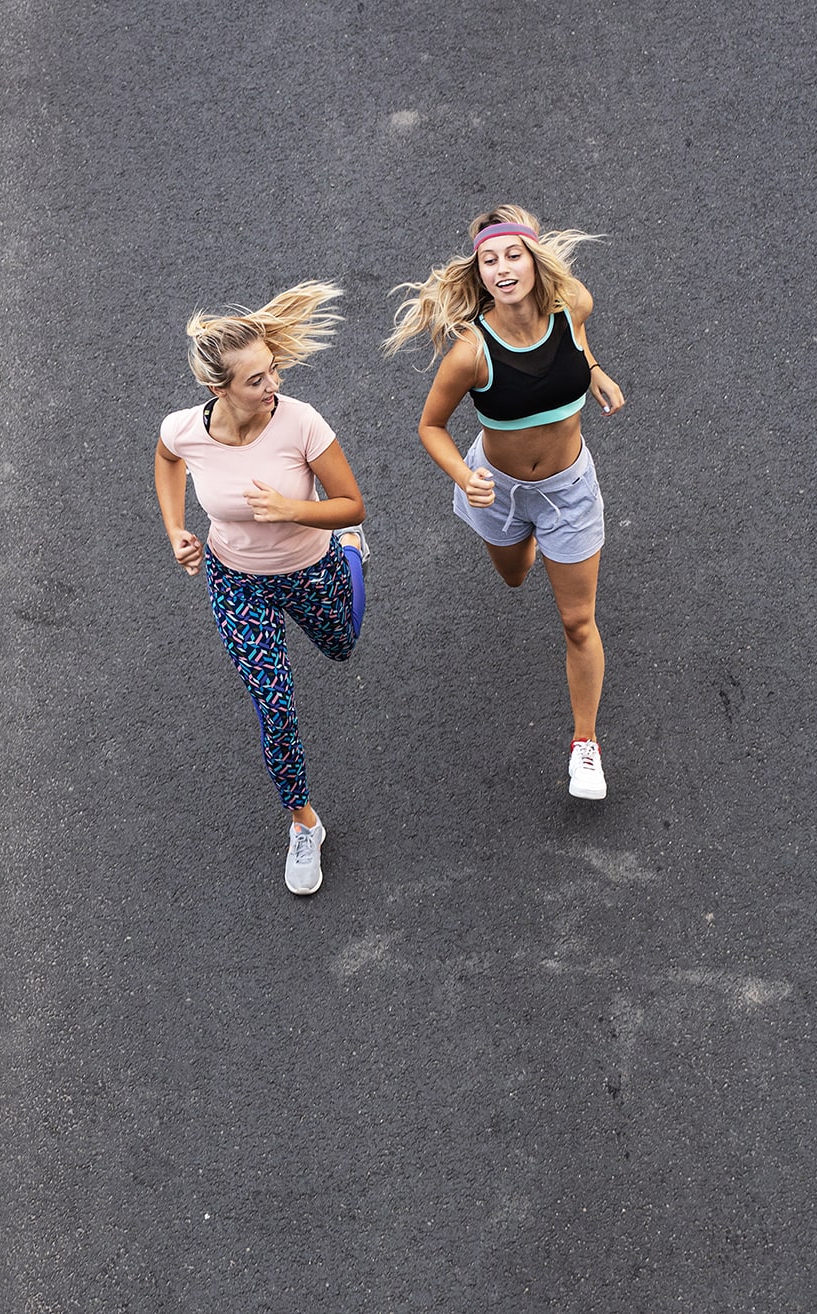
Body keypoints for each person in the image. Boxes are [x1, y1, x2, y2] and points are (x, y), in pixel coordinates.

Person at [386, 205, 625, 799]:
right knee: (516, 575)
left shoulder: (575, 307)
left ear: (534, 259)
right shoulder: (470, 351)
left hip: (568, 487)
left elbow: (579, 339)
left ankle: (585, 745)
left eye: (513, 255)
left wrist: (592, 370)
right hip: (497, 488)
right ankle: (535, 544)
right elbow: (431, 427)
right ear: (480, 273)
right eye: (489, 261)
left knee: (577, 620)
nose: (502, 269)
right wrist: (463, 479)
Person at [154, 281, 369, 895]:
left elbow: (353, 504)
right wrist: (177, 532)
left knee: (340, 646)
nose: (273, 385)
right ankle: (303, 822)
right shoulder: (185, 430)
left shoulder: (301, 423)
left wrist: (292, 510)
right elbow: (167, 461)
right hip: (236, 581)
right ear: (218, 389)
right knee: (272, 704)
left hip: (313, 565)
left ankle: (354, 563)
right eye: (257, 380)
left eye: (273, 371)